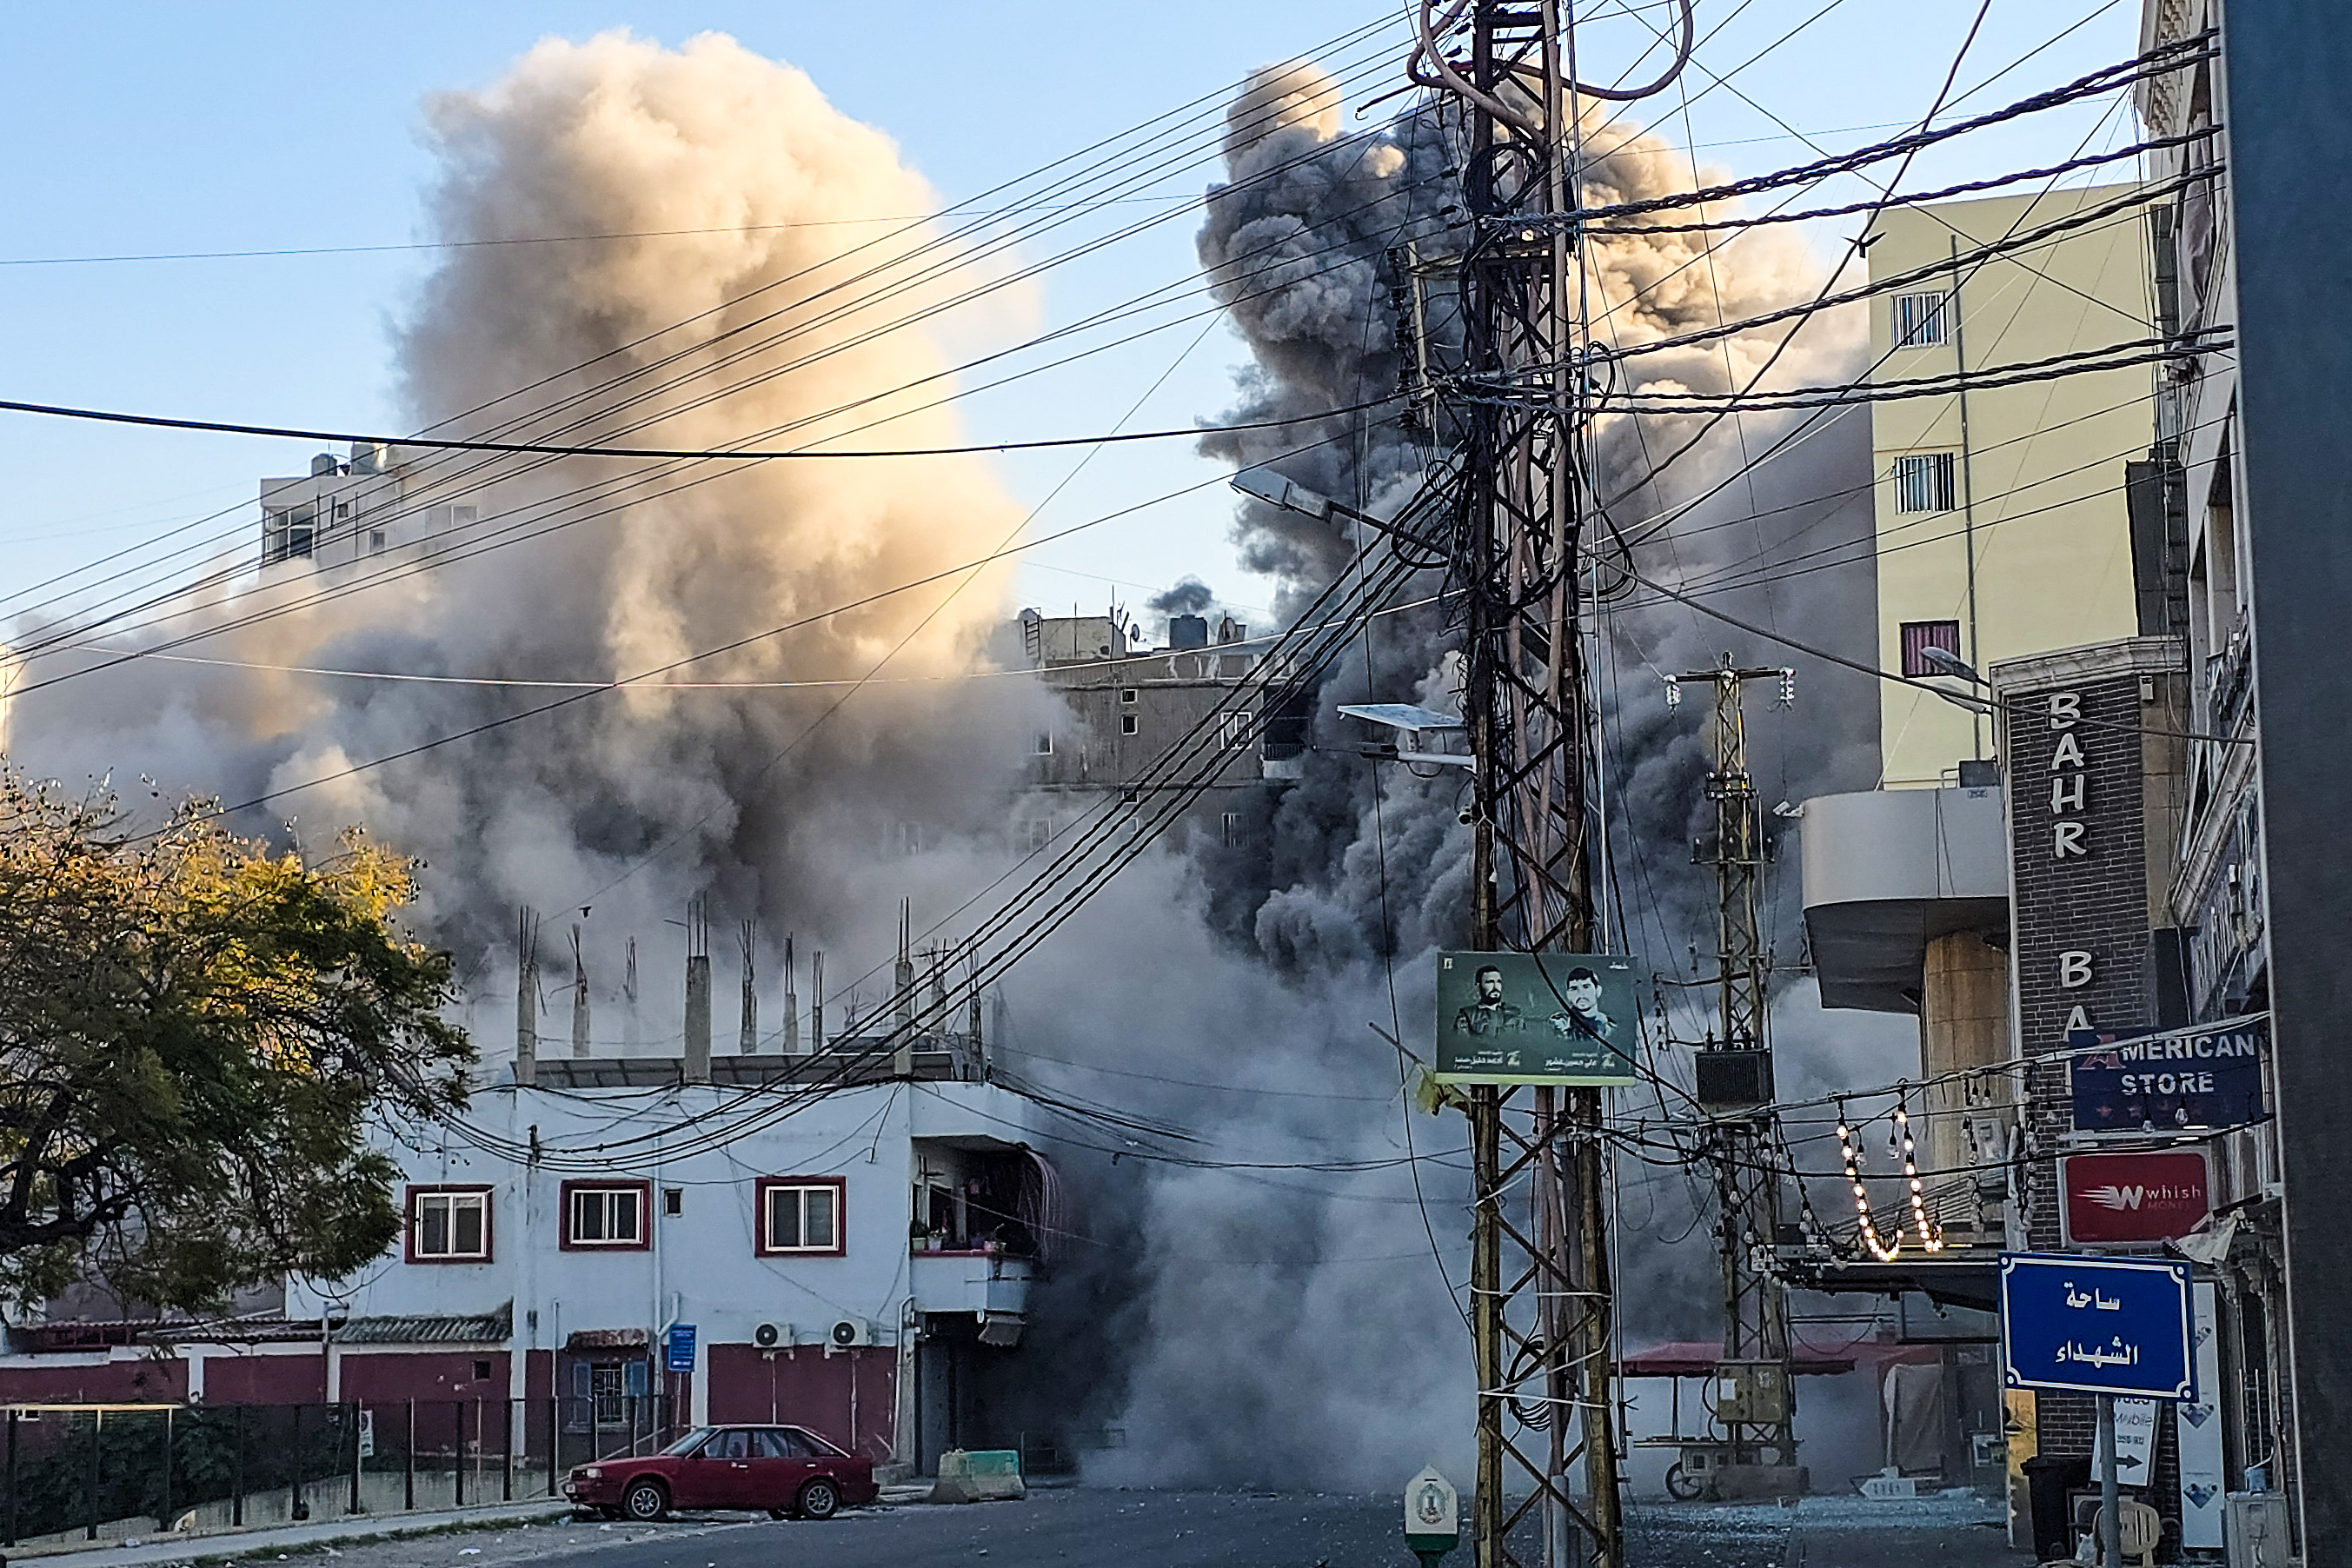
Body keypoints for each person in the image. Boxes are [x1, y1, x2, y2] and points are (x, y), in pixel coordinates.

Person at [1548, 967, 1617, 1044]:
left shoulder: (1610, 1026)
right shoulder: (1560, 1024)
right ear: (1568, 995)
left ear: (1598, 991)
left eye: (1586, 987)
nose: (1580, 993)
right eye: (1574, 988)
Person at [1453, 964, 1524, 1036]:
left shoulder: (1514, 1012)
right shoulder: (1467, 1014)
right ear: (1478, 986)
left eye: (1498, 982)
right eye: (1490, 982)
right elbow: (1462, 1042)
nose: (1496, 987)